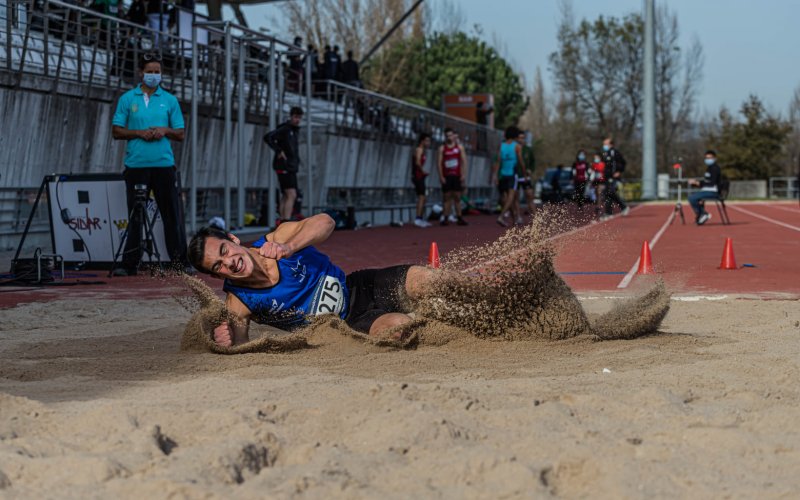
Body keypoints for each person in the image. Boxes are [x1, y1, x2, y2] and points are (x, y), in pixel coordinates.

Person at [187, 214, 437, 346]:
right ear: (216, 275)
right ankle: (426, 318)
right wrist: (224, 341)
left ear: (233, 239)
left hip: (360, 286)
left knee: (427, 280)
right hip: (349, 323)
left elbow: (326, 222)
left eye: (224, 250)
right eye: (218, 265)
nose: (229, 261)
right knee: (400, 329)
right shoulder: (239, 303)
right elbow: (240, 347)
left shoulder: (278, 238)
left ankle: (466, 296)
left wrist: (289, 246)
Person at [111, 53, 188, 276]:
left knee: (171, 215)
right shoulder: (127, 98)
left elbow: (181, 133)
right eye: (150, 71)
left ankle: (179, 262)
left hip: (163, 165)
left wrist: (165, 130)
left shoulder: (170, 100)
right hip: (136, 165)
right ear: (140, 72)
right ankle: (129, 264)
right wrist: (138, 133)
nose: (154, 75)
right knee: (135, 216)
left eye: (157, 71)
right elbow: (116, 130)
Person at [263, 107, 304, 225]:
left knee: (286, 194)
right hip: (284, 166)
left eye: (299, 118)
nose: (297, 120)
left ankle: (282, 221)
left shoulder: (293, 130)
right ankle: (285, 222)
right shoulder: (285, 129)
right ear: (291, 116)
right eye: (296, 117)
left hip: (290, 167)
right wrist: (278, 150)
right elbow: (268, 137)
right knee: (292, 194)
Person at [492, 127, 525, 227]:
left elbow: (498, 162)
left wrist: (495, 175)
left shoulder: (501, 146)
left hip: (503, 174)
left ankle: (514, 217)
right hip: (512, 174)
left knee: (506, 198)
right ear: (515, 135)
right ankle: (501, 216)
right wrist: (524, 173)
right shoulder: (517, 146)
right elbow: (521, 162)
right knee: (511, 197)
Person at [437, 128, 468, 226]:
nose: (449, 137)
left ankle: (459, 217)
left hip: (456, 175)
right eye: (447, 136)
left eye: (450, 135)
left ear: (453, 136)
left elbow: (464, 161)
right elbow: (439, 163)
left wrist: (463, 174)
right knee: (446, 197)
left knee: (457, 197)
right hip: (447, 176)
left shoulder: (459, 147)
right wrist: (441, 176)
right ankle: (446, 217)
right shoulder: (442, 148)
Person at [688, 150, 722, 225]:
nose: (708, 160)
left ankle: (703, 214)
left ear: (715, 158)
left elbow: (711, 183)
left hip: (713, 192)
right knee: (695, 197)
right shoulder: (709, 168)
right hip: (708, 190)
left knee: (692, 198)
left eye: (710, 158)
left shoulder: (715, 169)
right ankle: (700, 216)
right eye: (706, 158)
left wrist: (698, 183)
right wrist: (695, 183)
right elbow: (706, 182)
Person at [601, 137, 630, 219]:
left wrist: (619, 172)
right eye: (604, 144)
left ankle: (623, 206)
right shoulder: (606, 153)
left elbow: (623, 163)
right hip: (607, 177)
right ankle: (608, 213)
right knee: (607, 194)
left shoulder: (615, 152)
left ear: (611, 144)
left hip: (612, 177)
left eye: (606, 144)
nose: (604, 145)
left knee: (610, 192)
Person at [411, 133, 433, 228]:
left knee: (423, 198)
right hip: (417, 176)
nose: (429, 143)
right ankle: (418, 218)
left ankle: (420, 218)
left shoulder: (422, 150)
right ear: (422, 141)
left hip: (420, 176)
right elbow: (417, 163)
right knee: (421, 197)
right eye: (427, 141)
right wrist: (423, 171)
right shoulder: (419, 150)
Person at [516, 130, 536, 214]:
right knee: (515, 198)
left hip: (525, 177)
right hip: (515, 176)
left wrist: (530, 170)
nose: (521, 140)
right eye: (520, 138)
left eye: (523, 138)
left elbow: (533, 162)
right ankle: (517, 217)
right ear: (517, 138)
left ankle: (536, 217)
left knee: (530, 195)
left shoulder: (528, 149)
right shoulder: (514, 148)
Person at [590, 153, 606, 217]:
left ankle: (599, 206)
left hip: (602, 181)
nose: (595, 159)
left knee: (599, 192)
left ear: (600, 158)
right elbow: (592, 172)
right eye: (594, 158)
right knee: (596, 193)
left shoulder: (603, 164)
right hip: (596, 181)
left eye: (596, 157)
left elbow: (604, 172)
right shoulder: (594, 165)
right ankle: (598, 205)